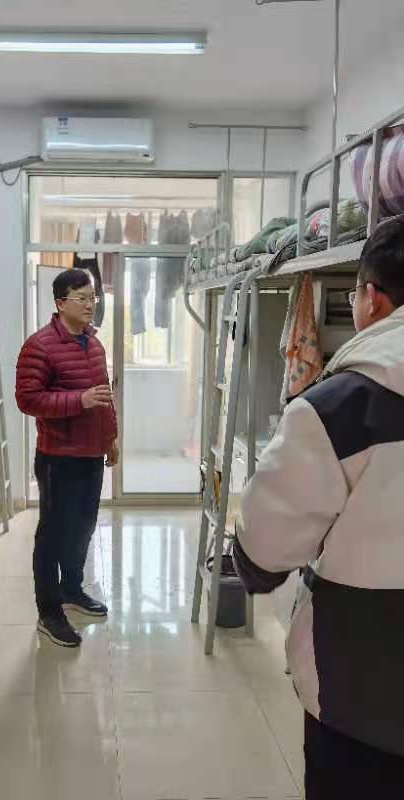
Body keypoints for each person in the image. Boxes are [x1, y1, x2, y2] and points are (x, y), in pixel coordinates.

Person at [233, 216, 404, 799]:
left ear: (370, 298)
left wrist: (252, 568)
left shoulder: (341, 408)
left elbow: (263, 549)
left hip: (367, 697)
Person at [16, 269, 118, 648]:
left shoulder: (94, 343)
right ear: (60, 303)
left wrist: (111, 438)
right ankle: (49, 612)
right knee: (53, 536)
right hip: (58, 459)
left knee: (83, 529)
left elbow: (104, 395)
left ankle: (72, 590)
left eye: (93, 297)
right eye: (82, 298)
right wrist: (79, 400)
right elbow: (28, 400)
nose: (90, 304)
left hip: (92, 454)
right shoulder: (39, 346)